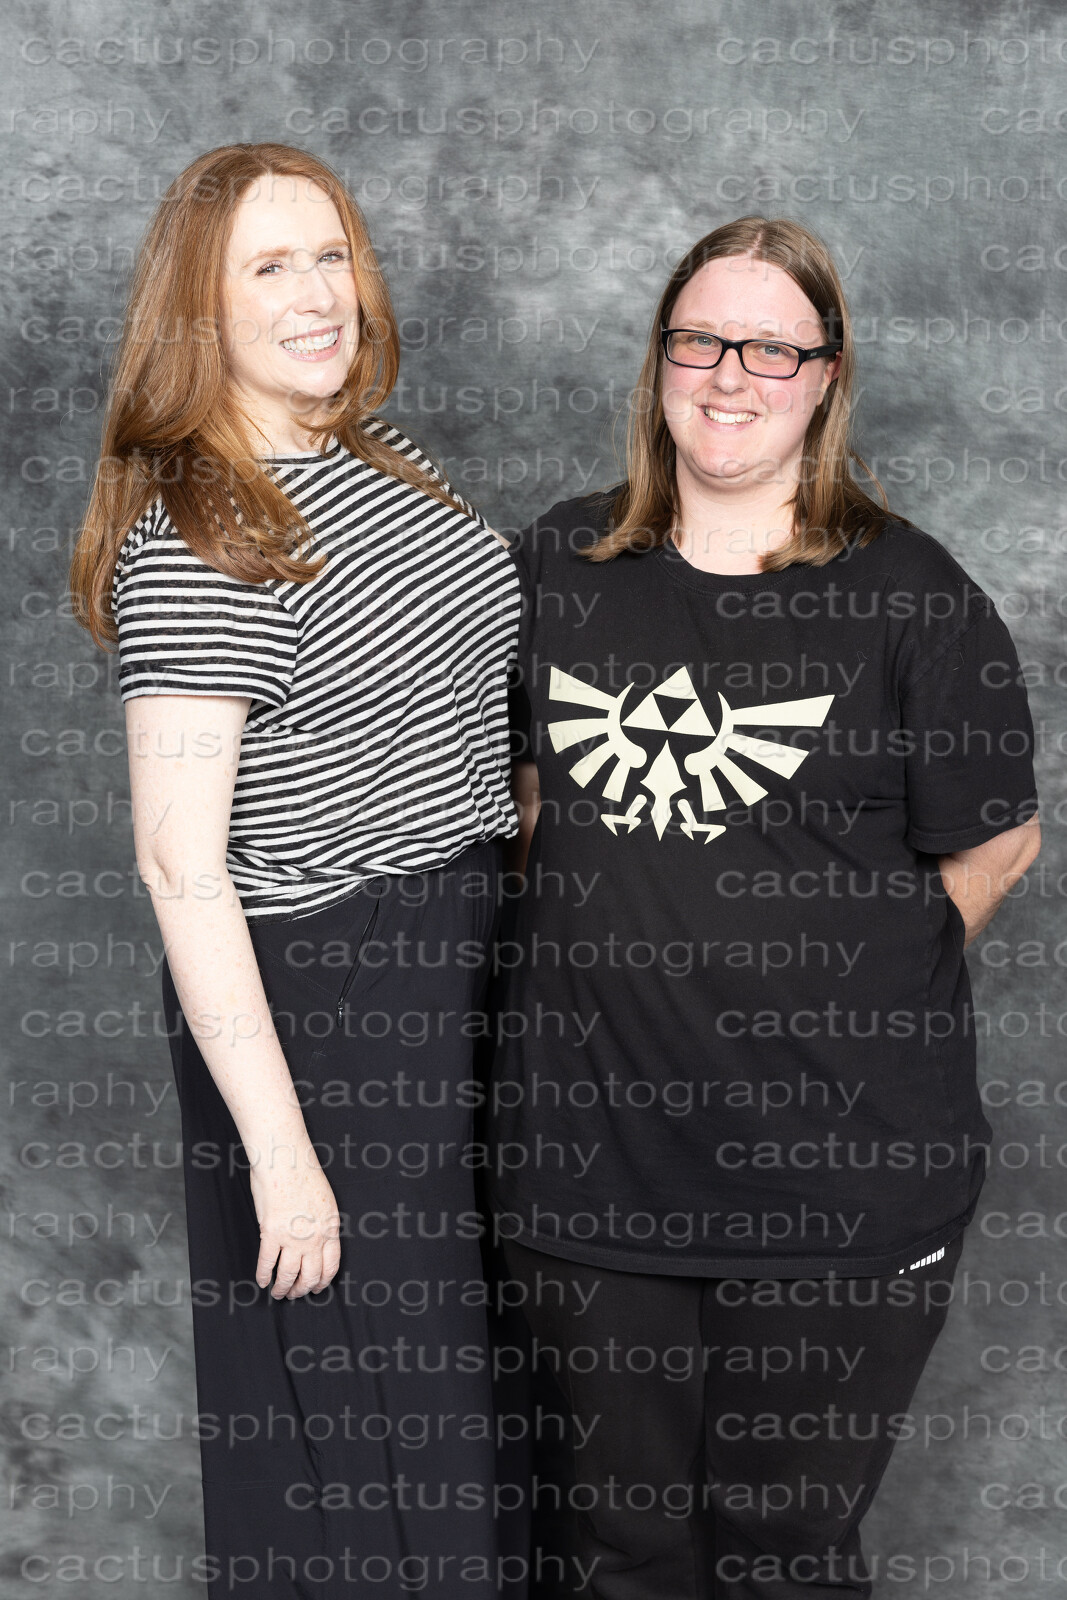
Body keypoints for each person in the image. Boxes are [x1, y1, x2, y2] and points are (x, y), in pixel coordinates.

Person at [488, 215, 1042, 1599]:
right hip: (591, 1179)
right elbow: (528, 809)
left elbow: (1000, 843)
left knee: (784, 1556)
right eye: (700, 341)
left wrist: (849, 983)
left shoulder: (916, 599)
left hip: (839, 1191)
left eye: (772, 348)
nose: (730, 375)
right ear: (658, 360)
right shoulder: (558, 563)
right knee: (615, 1555)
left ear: (826, 376)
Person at [70, 143, 526, 1600]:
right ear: (198, 311)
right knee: (379, 1440)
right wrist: (284, 1156)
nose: (319, 293)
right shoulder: (202, 534)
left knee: (484, 1419)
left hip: (467, 962)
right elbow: (177, 863)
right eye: (269, 267)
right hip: (332, 1011)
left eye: (331, 254)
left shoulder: (383, 462)